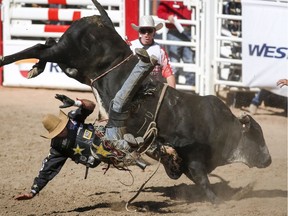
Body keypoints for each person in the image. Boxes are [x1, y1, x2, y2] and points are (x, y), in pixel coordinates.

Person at [14, 49, 157, 200]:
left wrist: (75, 103)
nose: (62, 130)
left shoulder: (72, 120)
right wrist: (33, 192)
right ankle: (128, 146)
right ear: (54, 135)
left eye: (61, 127)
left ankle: (144, 65)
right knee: (104, 147)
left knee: (117, 102)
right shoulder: (58, 149)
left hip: (109, 130)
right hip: (104, 153)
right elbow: (46, 171)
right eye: (59, 131)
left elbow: (90, 106)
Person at [129, 15, 176, 88]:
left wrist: (173, 92)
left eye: (149, 31)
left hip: (153, 89)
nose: (146, 34)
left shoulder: (160, 50)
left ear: (154, 32)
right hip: (133, 87)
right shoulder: (131, 46)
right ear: (140, 32)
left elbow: (168, 72)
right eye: (143, 31)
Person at [157, 0, 195, 86]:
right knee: (174, 59)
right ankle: (173, 84)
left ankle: (190, 85)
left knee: (189, 59)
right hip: (175, 30)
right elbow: (160, 12)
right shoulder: (168, 1)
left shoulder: (189, 1)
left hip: (188, 31)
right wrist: (168, 16)